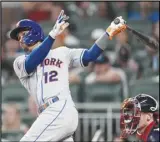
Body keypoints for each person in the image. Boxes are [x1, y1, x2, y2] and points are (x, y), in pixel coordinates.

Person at [10, 9, 126, 141]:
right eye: (18, 37)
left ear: (34, 32)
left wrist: (108, 32)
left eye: (23, 34)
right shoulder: (19, 62)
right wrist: (53, 35)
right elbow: (33, 61)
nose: (20, 40)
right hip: (49, 114)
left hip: (59, 108)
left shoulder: (62, 52)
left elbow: (90, 55)